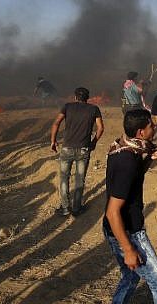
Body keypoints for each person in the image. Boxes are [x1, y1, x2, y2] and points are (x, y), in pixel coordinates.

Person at [103, 109, 157, 304]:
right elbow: (112, 211)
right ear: (141, 132)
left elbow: (133, 180)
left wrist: (148, 159)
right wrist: (129, 249)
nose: (154, 127)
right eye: (151, 125)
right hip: (128, 230)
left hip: (114, 229)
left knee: (131, 276)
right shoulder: (128, 161)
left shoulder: (122, 146)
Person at [50, 87, 104, 216]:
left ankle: (64, 207)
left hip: (67, 148)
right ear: (88, 98)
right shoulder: (94, 109)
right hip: (84, 149)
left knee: (64, 178)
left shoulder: (67, 107)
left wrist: (53, 141)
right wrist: (93, 142)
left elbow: (56, 123)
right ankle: (76, 208)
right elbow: (101, 128)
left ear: (75, 97)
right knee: (80, 179)